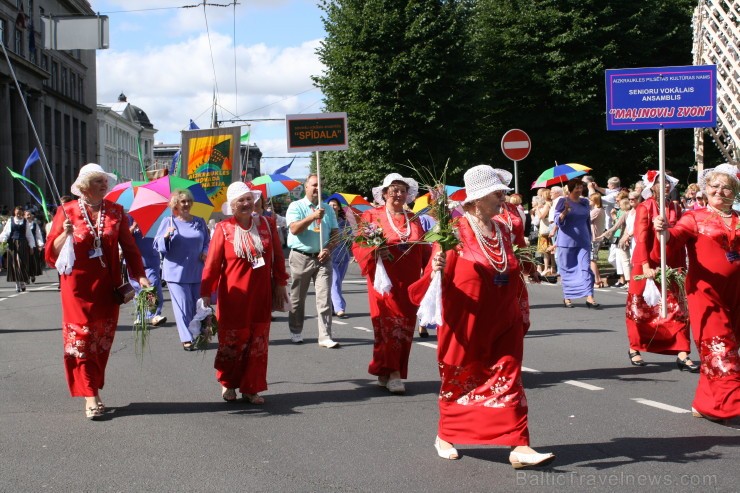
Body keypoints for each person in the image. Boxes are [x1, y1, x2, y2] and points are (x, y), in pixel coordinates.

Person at [409, 165, 554, 468]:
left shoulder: (502, 228)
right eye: (496, 193)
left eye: (502, 192)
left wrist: (526, 275)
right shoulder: (453, 232)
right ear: (476, 200)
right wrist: (436, 269)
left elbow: (510, 264)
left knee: (509, 378)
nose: (503, 198)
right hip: (466, 321)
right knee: (461, 379)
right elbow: (432, 280)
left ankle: (519, 445)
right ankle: (446, 434)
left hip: (503, 318)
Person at [45, 163, 149, 420]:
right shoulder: (66, 211)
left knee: (100, 341)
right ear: (83, 187)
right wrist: (63, 235)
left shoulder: (116, 211)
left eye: (105, 181)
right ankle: (90, 395)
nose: (104, 185)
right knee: (81, 340)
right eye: (98, 181)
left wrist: (142, 277)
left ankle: (93, 386)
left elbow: (130, 248)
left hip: (107, 286)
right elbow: (51, 253)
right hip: (76, 288)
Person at [653, 163, 739, 421]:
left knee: (731, 343)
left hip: (736, 291)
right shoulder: (694, 217)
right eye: (715, 186)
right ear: (705, 189)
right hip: (705, 291)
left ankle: (705, 403)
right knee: (720, 345)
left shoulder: (738, 217)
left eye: (727, 187)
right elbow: (674, 239)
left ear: (734, 191)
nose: (720, 191)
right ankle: (731, 405)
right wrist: (663, 232)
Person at [201, 182, 289, 403]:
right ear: (232, 205)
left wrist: (280, 284)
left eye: (250, 199)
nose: (247, 204)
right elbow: (211, 266)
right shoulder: (223, 229)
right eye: (241, 200)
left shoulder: (267, 225)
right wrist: (205, 294)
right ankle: (228, 383)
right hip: (233, 297)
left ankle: (252, 387)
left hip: (261, 295)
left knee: (257, 342)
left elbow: (278, 258)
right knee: (232, 342)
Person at [353, 173, 427, 394]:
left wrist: (434, 269)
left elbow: (424, 248)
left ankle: (384, 368)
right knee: (388, 323)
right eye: (393, 189)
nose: (398, 193)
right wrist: (375, 249)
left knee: (405, 325)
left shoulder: (413, 218)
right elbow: (358, 245)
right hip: (383, 280)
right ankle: (394, 373)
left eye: (402, 190)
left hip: (410, 281)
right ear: (384, 193)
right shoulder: (371, 215)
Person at [625, 170, 695, 369]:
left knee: (678, 308)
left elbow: (681, 234)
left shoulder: (675, 207)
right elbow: (640, 237)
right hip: (647, 261)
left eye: (667, 182)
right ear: (652, 186)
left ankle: (682, 351)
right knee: (641, 308)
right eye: (660, 182)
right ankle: (635, 347)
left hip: (672, 263)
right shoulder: (644, 207)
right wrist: (645, 265)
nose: (665, 185)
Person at [285, 174, 340, 347]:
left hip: (322, 258)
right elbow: (294, 229)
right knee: (297, 298)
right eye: (314, 185)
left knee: (324, 298)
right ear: (306, 187)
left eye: (320, 186)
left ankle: (325, 336)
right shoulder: (296, 206)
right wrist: (313, 216)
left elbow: (335, 234)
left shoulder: (328, 209)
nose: (317, 189)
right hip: (301, 257)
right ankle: (296, 330)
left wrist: (328, 249)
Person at [154, 189, 210, 351]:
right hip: (175, 272)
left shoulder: (199, 222)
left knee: (197, 305)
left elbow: (207, 241)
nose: (186, 204)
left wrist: (205, 251)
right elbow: (157, 245)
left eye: (188, 201)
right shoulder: (168, 221)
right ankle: (187, 338)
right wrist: (165, 236)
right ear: (176, 204)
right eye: (182, 201)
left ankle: (197, 332)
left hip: (197, 270)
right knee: (183, 306)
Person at [554, 178, 600, 308]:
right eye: (577, 187)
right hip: (566, 241)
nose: (579, 189)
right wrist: (565, 212)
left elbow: (587, 220)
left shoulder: (585, 202)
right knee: (567, 270)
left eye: (581, 187)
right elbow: (557, 221)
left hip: (583, 240)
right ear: (570, 188)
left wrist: (590, 237)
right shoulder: (563, 201)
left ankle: (590, 297)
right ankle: (567, 297)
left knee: (585, 268)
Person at [128, 217, 166, 326]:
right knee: (138, 289)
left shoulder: (154, 217)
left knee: (152, 285)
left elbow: (160, 236)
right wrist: (134, 226)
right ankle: (141, 315)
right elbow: (124, 237)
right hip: (134, 260)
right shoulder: (127, 219)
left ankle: (154, 314)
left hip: (151, 259)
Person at [327, 198, 352, 318]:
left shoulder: (345, 222)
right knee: (335, 282)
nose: (332, 207)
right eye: (330, 205)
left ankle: (332, 307)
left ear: (338, 207)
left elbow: (351, 237)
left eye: (335, 205)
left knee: (337, 283)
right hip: (330, 257)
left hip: (343, 256)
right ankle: (339, 308)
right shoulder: (325, 222)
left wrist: (348, 236)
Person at [0, 206, 34, 292]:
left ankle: (22, 281)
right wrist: (3, 240)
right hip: (12, 244)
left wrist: (31, 246)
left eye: (20, 212)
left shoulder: (25, 222)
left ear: (23, 213)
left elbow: (29, 235)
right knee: (14, 264)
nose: (18, 214)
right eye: (17, 212)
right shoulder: (10, 221)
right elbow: (6, 232)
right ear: (14, 212)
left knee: (22, 263)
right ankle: (17, 283)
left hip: (22, 244)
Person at [589, 193, 606, 288]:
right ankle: (598, 279)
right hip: (597, 237)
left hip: (593, 237)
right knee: (593, 258)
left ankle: (596, 280)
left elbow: (586, 219)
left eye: (591, 200)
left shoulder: (596, 211)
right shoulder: (601, 210)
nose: (589, 201)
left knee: (592, 259)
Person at [24, 211, 45, 283]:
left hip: (33, 245)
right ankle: (26, 276)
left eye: (29, 215)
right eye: (27, 215)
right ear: (24, 216)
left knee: (32, 261)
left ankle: (32, 275)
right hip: (24, 245)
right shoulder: (22, 224)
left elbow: (38, 235)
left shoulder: (35, 225)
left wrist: (40, 245)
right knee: (25, 261)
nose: (28, 216)